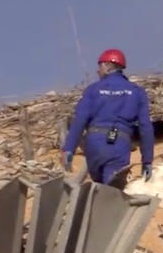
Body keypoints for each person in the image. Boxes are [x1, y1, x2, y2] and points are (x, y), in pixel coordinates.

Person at [61, 49, 154, 189]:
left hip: (94, 144)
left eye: (99, 66)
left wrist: (69, 149)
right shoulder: (137, 92)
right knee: (112, 189)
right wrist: (147, 160)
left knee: (99, 187)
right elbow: (145, 127)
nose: (98, 71)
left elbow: (79, 119)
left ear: (106, 65)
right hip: (119, 144)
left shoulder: (93, 89)